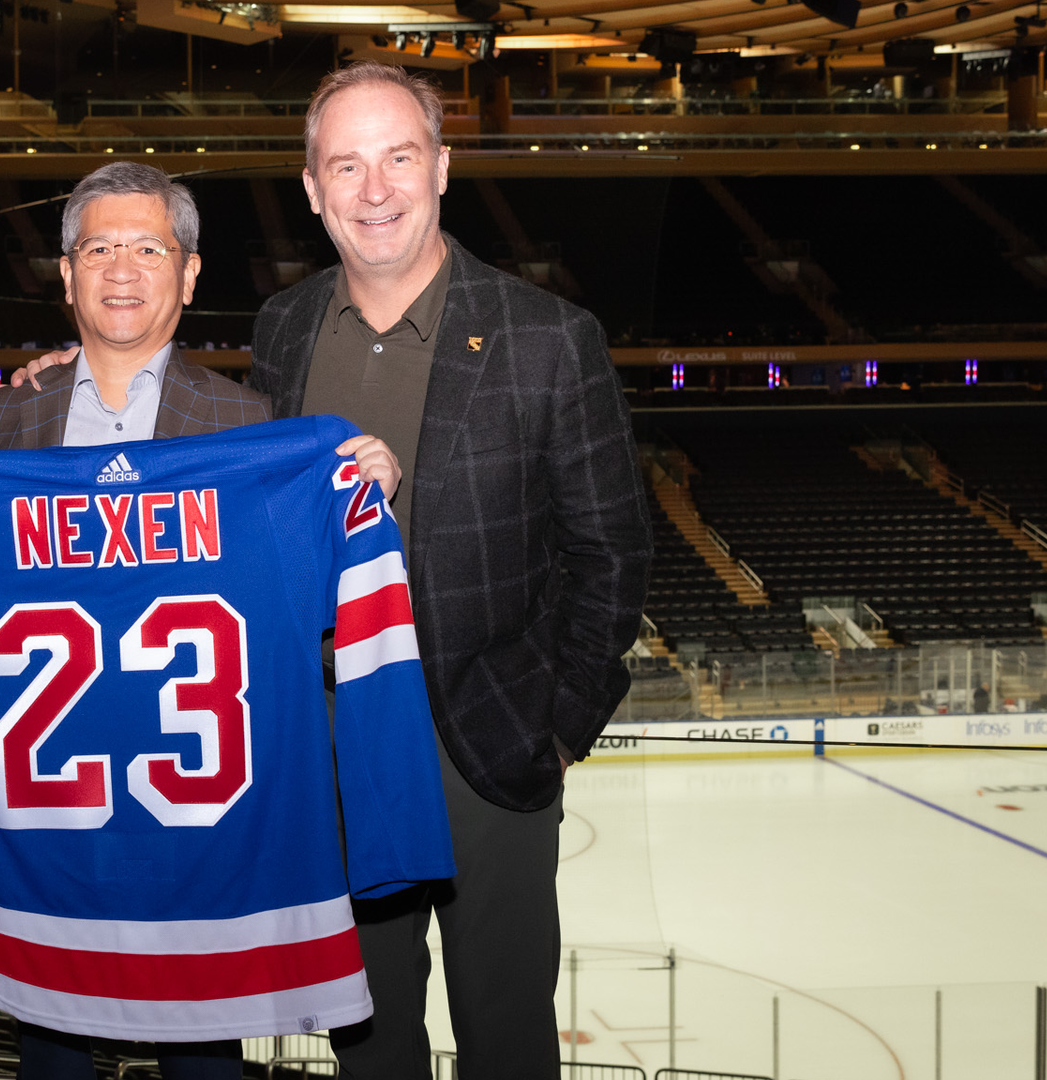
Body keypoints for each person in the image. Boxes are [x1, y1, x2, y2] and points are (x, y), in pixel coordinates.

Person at [251, 61, 653, 1080]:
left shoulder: (548, 337)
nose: (374, 189)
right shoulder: (283, 328)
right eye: (346, 165)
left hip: (487, 745)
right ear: (312, 188)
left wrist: (556, 728)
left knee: (506, 1038)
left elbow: (612, 552)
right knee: (368, 1039)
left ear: (440, 169)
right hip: (334, 746)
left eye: (399, 158)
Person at [0, 160, 402, 1080]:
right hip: (49, 813)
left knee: (204, 1055)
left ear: (190, 272)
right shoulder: (2, 422)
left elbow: (298, 618)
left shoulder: (248, 425)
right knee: (50, 1051)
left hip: (197, 813)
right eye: (99, 249)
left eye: (149, 249)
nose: (122, 270)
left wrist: (352, 499)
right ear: (66, 273)